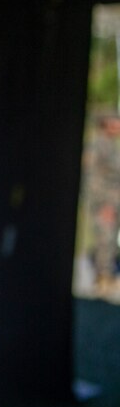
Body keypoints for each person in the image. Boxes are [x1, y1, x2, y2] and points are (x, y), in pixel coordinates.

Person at [86, 112, 120, 299]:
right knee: (104, 241)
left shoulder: (111, 146)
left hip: (113, 203)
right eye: (115, 122)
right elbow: (93, 178)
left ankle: (107, 277)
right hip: (104, 203)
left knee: (110, 240)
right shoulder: (98, 145)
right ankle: (103, 280)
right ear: (106, 124)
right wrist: (102, 204)